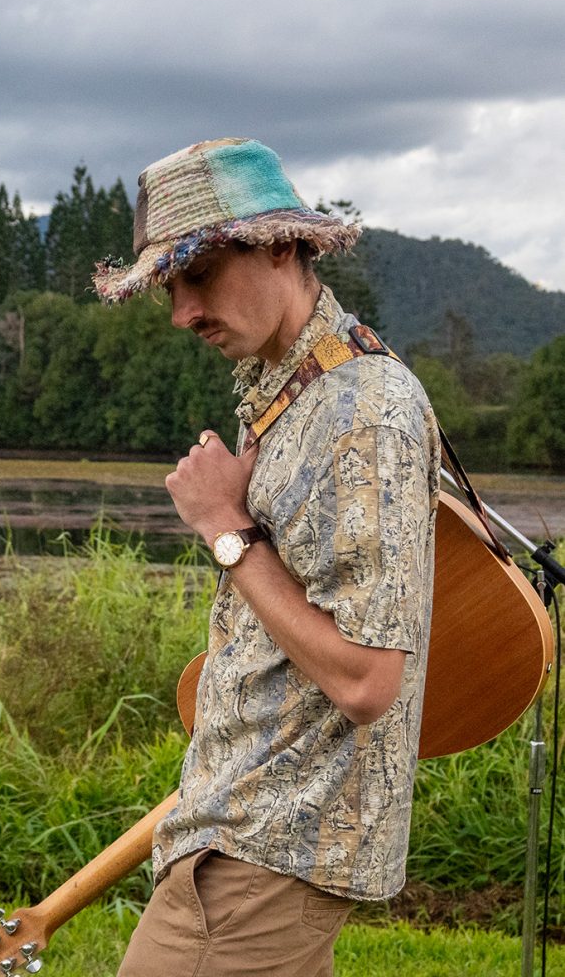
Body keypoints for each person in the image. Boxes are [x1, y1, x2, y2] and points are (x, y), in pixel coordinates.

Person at [93, 138, 440, 977]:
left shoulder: (361, 412)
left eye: (197, 276)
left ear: (282, 245)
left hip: (267, 846)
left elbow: (367, 681)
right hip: (247, 833)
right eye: (169, 288)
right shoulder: (299, 387)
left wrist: (224, 528)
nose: (181, 312)